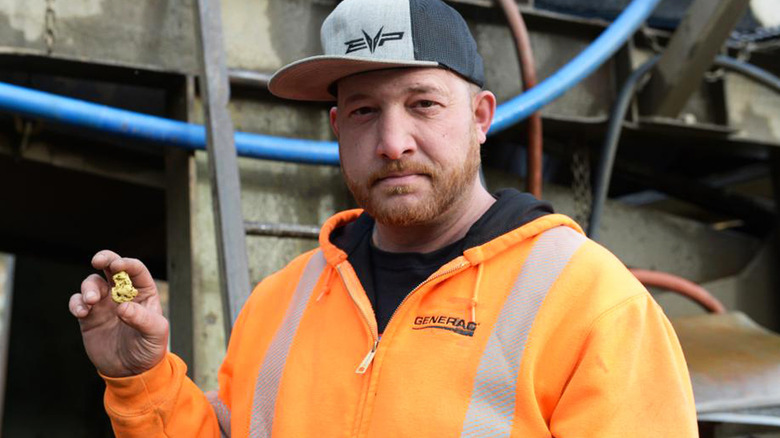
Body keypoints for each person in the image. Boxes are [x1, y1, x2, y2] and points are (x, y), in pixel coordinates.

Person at [69, 0, 698, 436]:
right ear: (338, 128)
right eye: (365, 111)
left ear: (481, 117)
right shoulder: (279, 302)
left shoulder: (594, 305)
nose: (393, 141)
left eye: (423, 104)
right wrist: (141, 382)